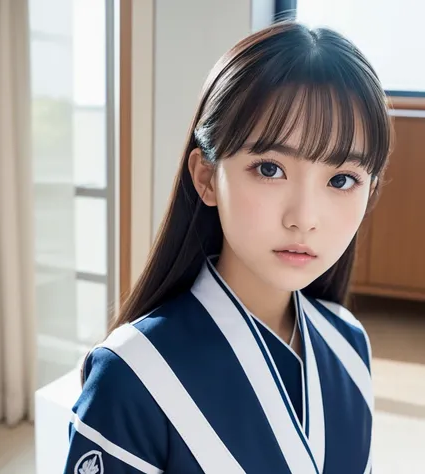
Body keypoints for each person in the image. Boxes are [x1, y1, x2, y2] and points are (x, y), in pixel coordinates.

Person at [64, 20, 391, 474]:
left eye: (341, 180)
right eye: (270, 169)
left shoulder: (348, 342)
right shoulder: (131, 373)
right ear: (206, 177)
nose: (304, 217)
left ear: (370, 193)